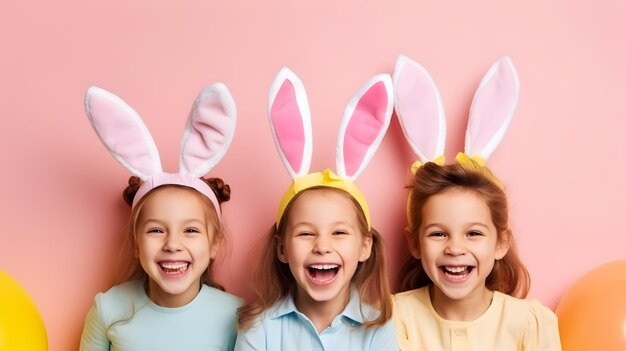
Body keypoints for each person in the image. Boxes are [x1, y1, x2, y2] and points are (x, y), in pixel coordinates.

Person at [392, 55, 561, 350]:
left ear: (500, 242)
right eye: (438, 233)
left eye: (473, 233)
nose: (455, 248)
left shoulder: (528, 322)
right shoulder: (394, 317)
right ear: (415, 244)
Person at [234, 67, 398, 350]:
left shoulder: (379, 327)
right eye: (306, 233)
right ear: (282, 248)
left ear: (365, 246)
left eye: (339, 233)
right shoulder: (258, 328)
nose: (322, 246)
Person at [79, 84, 241, 350]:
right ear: (135, 242)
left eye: (190, 230)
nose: (172, 244)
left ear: (215, 243)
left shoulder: (237, 315)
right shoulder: (107, 309)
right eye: (156, 230)